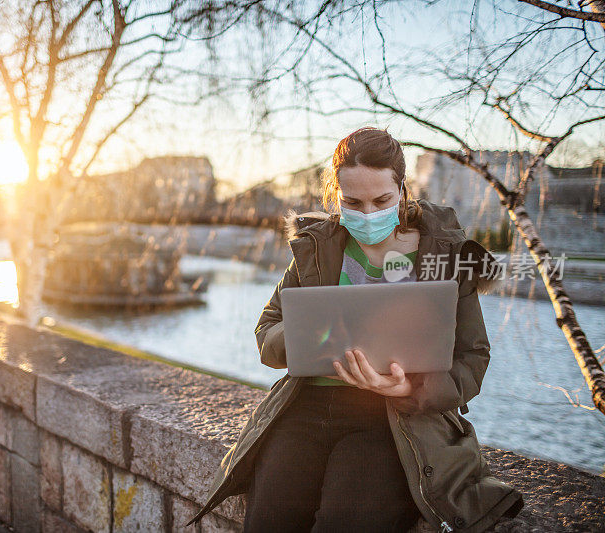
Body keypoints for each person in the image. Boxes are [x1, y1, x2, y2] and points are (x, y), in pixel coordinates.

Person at [186, 126, 524, 532]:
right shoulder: (317, 247)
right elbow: (267, 331)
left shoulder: (447, 254)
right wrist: (309, 338)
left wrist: (408, 388)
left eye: (381, 200)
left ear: (402, 188)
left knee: (346, 522)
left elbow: (472, 359)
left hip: (392, 419)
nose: (367, 214)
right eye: (352, 202)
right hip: (305, 409)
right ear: (335, 194)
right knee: (269, 521)